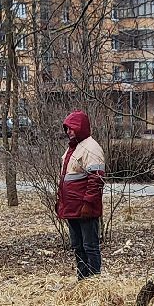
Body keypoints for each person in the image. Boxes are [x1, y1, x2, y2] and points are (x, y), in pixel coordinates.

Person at [56, 110, 105, 278]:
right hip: (73, 208)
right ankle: (83, 280)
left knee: (90, 246)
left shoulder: (91, 148)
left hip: (84, 208)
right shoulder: (74, 148)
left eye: (71, 128)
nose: (68, 131)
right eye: (67, 128)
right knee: (78, 246)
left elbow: (96, 180)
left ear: (81, 127)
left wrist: (87, 204)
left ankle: (94, 281)